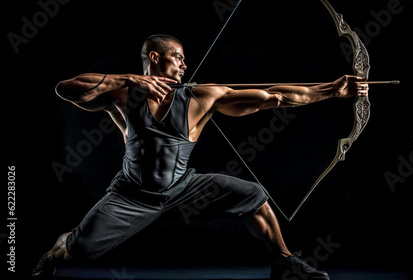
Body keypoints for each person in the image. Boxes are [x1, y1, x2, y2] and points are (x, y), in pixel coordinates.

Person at [33, 34, 368, 280]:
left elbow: (275, 96)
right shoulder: (123, 95)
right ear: (155, 58)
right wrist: (129, 79)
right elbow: (67, 88)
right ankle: (52, 253)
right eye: (177, 57)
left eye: (183, 58)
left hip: (184, 186)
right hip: (132, 194)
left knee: (252, 194)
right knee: (80, 249)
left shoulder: (202, 96)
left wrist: (332, 90)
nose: (184, 63)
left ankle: (283, 262)